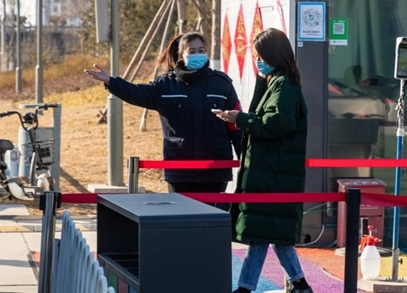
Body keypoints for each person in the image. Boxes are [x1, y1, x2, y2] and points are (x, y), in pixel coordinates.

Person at [214, 28, 313, 293]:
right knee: (274, 235)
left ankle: (246, 288)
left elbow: (275, 123)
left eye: (260, 56)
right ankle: (300, 284)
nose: (257, 61)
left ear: (273, 55)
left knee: (261, 235)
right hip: (274, 173)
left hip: (274, 174)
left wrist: (240, 119)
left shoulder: (284, 86)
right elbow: (268, 119)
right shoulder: (278, 83)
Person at [85, 32, 241, 194]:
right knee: (180, 211)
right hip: (179, 168)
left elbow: (236, 125)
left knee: (213, 211)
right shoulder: (165, 85)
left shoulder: (221, 84)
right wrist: (111, 81)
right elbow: (136, 92)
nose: (198, 55)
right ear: (181, 56)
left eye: (201, 50)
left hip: (215, 168)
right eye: (192, 51)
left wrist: (245, 158)